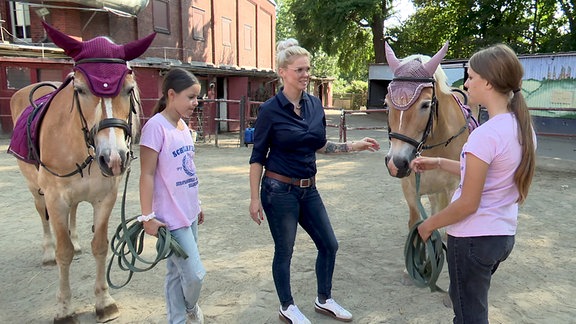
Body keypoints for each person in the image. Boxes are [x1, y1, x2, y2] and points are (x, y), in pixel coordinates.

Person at [248, 38, 380, 324]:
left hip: (309, 189)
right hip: (278, 190)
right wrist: (254, 198)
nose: (306, 74)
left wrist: (354, 145)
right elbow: (258, 156)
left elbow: (319, 144)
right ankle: (287, 306)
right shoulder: (270, 110)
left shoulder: (315, 105)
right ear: (283, 72)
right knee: (285, 250)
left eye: (308, 69)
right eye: (299, 70)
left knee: (329, 244)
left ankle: (324, 299)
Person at [410, 44, 536, 323]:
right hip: (501, 236)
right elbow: (491, 173)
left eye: (470, 77)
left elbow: (468, 203)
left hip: (472, 239)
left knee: (469, 317)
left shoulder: (483, 135)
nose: (466, 84)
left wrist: (428, 225)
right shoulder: (521, 129)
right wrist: (440, 162)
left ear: (488, 82)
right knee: (468, 303)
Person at [139, 68, 206, 324]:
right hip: (170, 219)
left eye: (196, 97)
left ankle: (176, 319)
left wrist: (197, 204)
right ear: (171, 94)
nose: (195, 102)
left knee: (176, 273)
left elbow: (188, 170)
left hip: (188, 213)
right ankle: (190, 307)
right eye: (191, 97)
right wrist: (147, 217)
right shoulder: (155, 128)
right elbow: (146, 175)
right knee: (195, 274)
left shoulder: (183, 127)